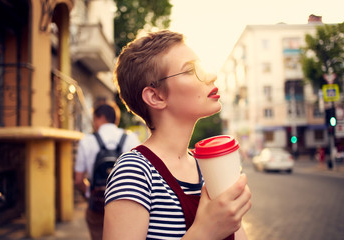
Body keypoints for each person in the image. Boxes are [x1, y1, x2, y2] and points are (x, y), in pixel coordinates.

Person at [103, 30, 251, 239]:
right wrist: (205, 231)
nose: (211, 75)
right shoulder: (135, 172)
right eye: (190, 70)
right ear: (155, 96)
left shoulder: (206, 166)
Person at [74, 103, 141, 240]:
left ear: (100, 118)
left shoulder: (87, 141)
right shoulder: (131, 138)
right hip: (127, 202)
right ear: (115, 119)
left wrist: (90, 193)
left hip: (98, 202)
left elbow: (78, 180)